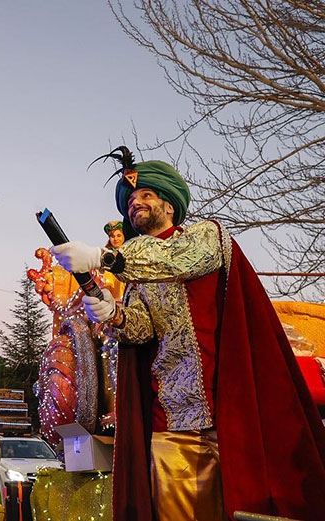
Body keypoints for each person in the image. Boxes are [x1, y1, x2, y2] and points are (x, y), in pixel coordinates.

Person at [51, 145, 325, 521]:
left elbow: (178, 260)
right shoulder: (137, 275)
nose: (136, 204)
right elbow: (142, 330)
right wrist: (114, 314)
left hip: (231, 419)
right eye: (130, 200)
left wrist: (105, 258)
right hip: (172, 425)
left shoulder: (206, 237)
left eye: (147, 194)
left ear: (170, 204)